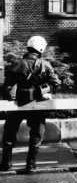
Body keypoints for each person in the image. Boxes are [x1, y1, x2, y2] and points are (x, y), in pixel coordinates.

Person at [0, 36, 61, 173]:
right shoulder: (45, 64)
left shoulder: (17, 64)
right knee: (36, 134)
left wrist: (9, 101)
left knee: (9, 133)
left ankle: (5, 164)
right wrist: (41, 90)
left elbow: (7, 86)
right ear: (41, 49)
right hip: (37, 105)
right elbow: (56, 83)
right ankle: (31, 165)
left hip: (18, 105)